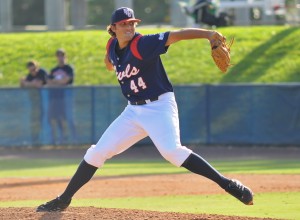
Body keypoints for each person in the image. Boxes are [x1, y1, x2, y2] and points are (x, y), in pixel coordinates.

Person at [36, 7, 253, 212]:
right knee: (96, 152)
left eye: (132, 23)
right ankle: (63, 200)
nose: (129, 28)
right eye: (124, 24)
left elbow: (175, 35)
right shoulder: (111, 46)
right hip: (133, 112)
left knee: (172, 152)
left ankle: (228, 184)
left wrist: (209, 34)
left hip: (159, 107)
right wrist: (111, 63)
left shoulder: (143, 44)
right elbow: (109, 61)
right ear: (113, 28)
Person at [47, 49, 77, 145]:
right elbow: (49, 83)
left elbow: (66, 80)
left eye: (62, 55)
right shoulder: (53, 70)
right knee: (56, 118)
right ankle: (60, 139)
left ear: (65, 57)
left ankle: (74, 139)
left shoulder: (69, 68)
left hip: (66, 97)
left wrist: (56, 82)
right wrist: (60, 82)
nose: (61, 58)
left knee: (69, 118)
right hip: (55, 98)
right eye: (59, 56)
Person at [20, 60, 48, 146]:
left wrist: (28, 83)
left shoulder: (42, 72)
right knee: (35, 121)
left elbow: (39, 84)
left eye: (35, 69)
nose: (33, 72)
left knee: (46, 120)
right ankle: (35, 140)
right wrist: (30, 83)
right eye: (31, 70)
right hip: (35, 104)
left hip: (47, 102)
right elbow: (22, 85)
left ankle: (46, 140)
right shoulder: (29, 76)